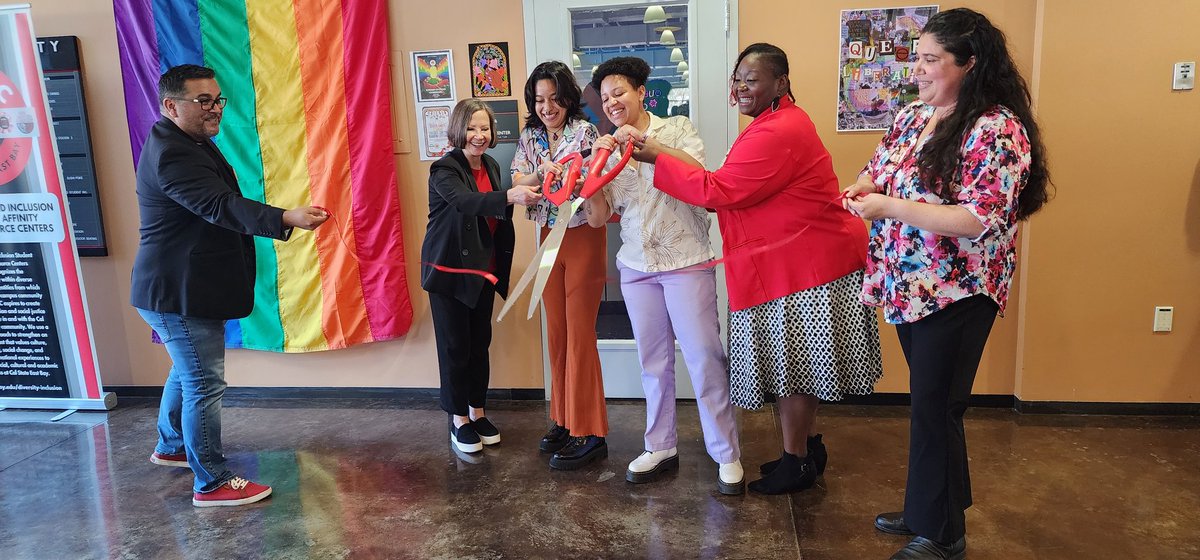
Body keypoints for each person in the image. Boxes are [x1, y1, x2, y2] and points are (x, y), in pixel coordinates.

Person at [842, 9, 1050, 560]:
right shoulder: (915, 115)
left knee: (936, 406)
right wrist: (864, 188)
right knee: (931, 404)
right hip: (910, 285)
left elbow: (979, 218)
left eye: (933, 59)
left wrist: (887, 205)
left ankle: (942, 536)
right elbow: (880, 169)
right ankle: (928, 509)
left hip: (959, 288)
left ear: (970, 63)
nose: (920, 68)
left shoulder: (997, 127)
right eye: (921, 56)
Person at [634, 43, 884, 495]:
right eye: (738, 79)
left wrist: (656, 156)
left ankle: (798, 461)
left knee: (796, 371)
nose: (741, 88)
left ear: (781, 83)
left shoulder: (779, 129)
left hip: (806, 265)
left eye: (752, 79)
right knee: (801, 368)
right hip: (799, 260)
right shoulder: (776, 121)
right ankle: (807, 448)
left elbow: (719, 190)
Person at [132, 64, 329, 507]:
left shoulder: (186, 141)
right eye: (203, 101)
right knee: (204, 381)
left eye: (217, 99)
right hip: (177, 291)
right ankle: (213, 482)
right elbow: (218, 205)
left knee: (188, 372)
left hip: (177, 287)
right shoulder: (174, 153)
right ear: (171, 105)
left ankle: (171, 445)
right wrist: (284, 217)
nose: (215, 108)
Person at [584, 57, 743, 495]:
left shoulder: (677, 129)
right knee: (653, 362)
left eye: (620, 92)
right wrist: (588, 184)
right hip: (636, 267)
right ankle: (660, 444)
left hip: (686, 260)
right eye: (605, 97)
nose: (613, 102)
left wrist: (646, 142)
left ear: (640, 92)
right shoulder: (606, 149)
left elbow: (700, 177)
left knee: (705, 356)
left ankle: (726, 452)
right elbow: (600, 219)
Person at [422, 98, 542, 454]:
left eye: (484, 128)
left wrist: (542, 172)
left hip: (483, 269)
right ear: (458, 129)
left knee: (479, 345)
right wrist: (510, 195)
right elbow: (466, 202)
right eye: (471, 128)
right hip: (448, 272)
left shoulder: (489, 163)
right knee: (455, 348)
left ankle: (477, 411)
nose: (478, 135)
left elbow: (497, 196)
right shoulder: (443, 169)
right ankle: (458, 419)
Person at [510, 60, 609, 470]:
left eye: (554, 99)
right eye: (539, 100)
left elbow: (589, 182)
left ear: (567, 98)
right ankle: (565, 420)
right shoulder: (530, 135)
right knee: (557, 333)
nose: (547, 107)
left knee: (580, 333)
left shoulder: (585, 132)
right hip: (547, 239)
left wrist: (561, 175)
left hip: (583, 234)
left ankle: (591, 431)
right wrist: (538, 175)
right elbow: (518, 180)